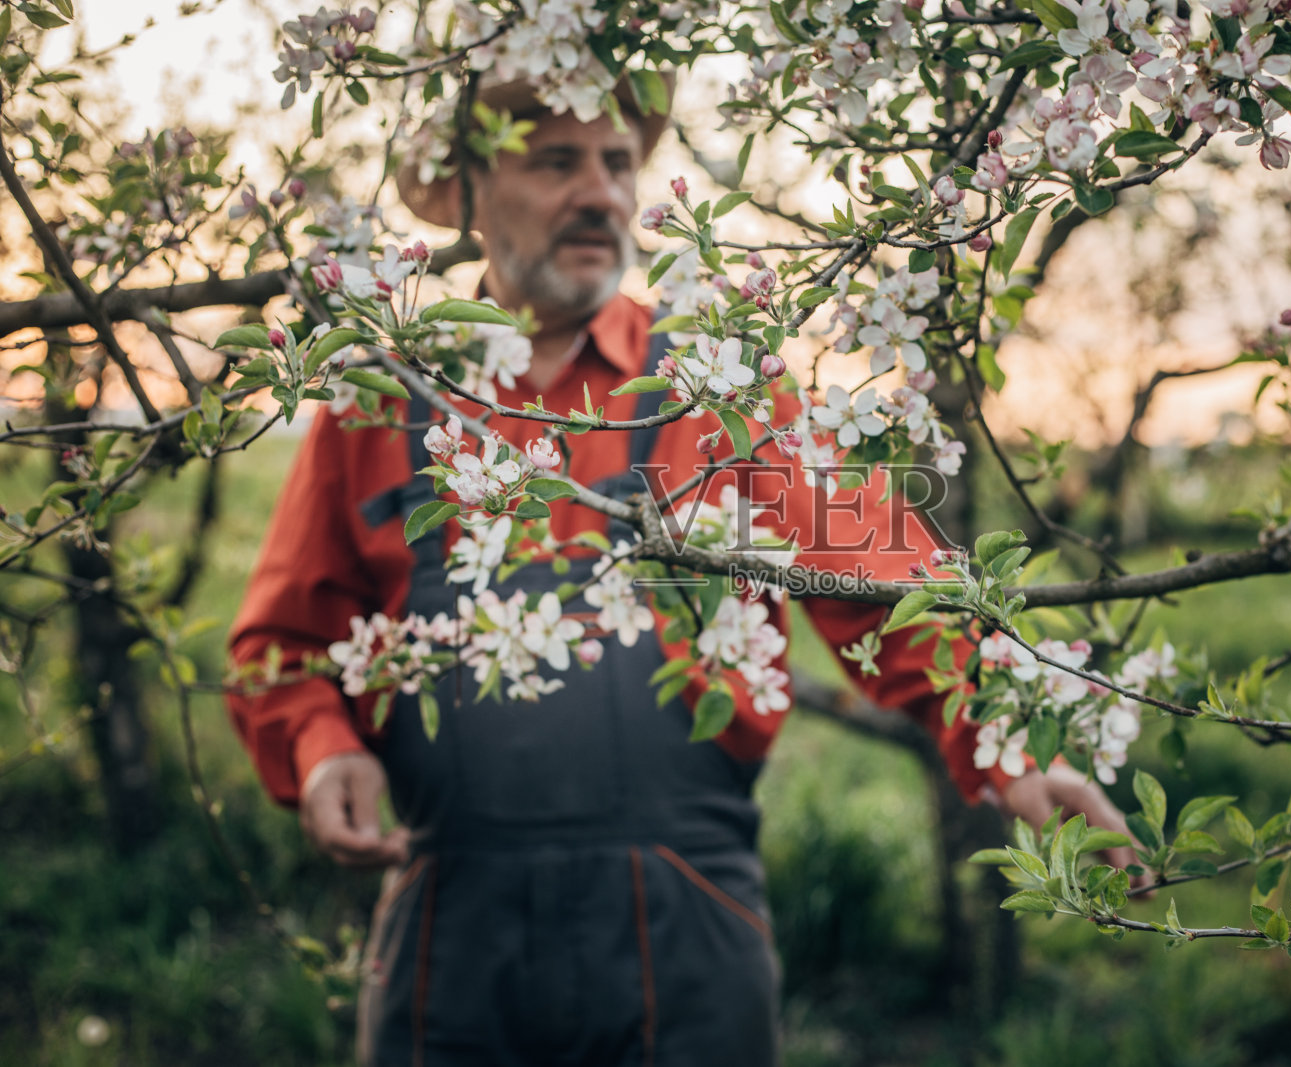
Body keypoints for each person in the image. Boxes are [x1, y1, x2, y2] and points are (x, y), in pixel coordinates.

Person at [226, 74, 1136, 1067]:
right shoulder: (380, 396)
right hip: (452, 921)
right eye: (556, 159)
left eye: (618, 162)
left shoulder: (718, 374)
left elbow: (880, 578)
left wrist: (1013, 735)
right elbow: (281, 646)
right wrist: (319, 747)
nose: (602, 192)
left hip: (684, 912)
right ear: (470, 187)